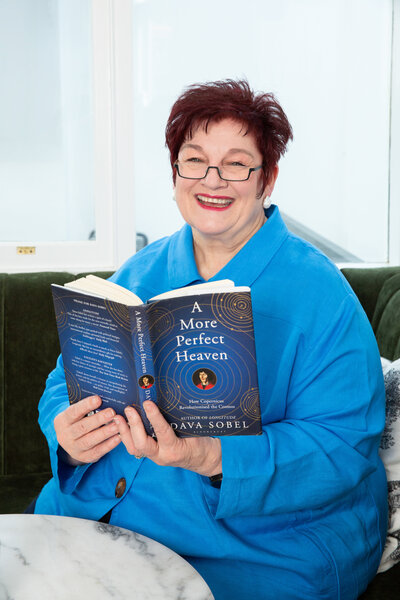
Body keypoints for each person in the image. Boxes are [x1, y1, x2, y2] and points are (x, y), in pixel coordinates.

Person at [35, 80, 387, 599]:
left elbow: (342, 448)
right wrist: (66, 430)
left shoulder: (323, 295)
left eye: (237, 164)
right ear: (175, 172)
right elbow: (63, 379)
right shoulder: (140, 271)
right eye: (194, 161)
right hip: (101, 513)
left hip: (255, 549)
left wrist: (212, 457)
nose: (212, 180)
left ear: (267, 178)